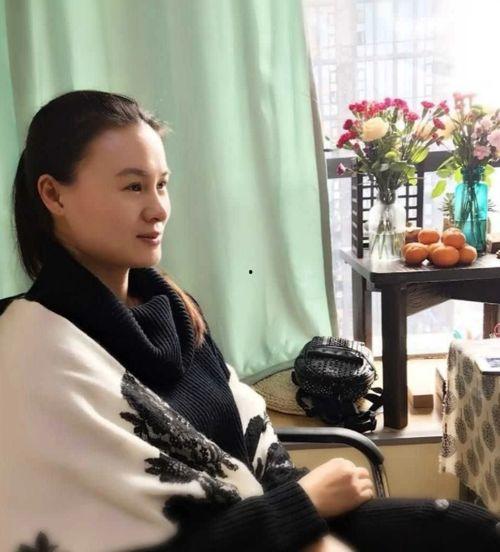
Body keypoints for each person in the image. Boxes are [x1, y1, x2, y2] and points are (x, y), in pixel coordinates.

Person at [0, 90, 498, 552]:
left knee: (467, 529)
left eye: (162, 185)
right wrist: (303, 507)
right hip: (253, 533)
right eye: (133, 186)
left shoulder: (174, 308)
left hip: (265, 525)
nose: (157, 209)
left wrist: (305, 516)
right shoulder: (33, 353)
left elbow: (252, 457)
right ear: (54, 196)